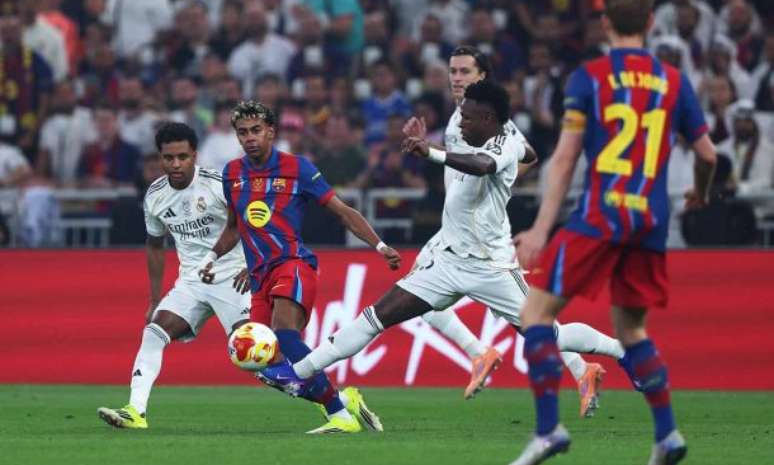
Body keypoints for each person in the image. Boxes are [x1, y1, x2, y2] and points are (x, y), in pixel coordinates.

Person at [260, 80, 628, 423]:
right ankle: (299, 372)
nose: (461, 122)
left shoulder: (503, 144)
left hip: (489, 267)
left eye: (468, 117)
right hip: (446, 261)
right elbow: (528, 152)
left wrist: (432, 152)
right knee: (373, 318)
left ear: (488, 119)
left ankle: (621, 350)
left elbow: (484, 166)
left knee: (550, 335)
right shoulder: (488, 137)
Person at [505, 0, 717, 465]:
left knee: (535, 315)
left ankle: (548, 430)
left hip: (601, 216)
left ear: (606, 24)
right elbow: (708, 155)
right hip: (650, 222)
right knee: (632, 330)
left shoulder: (590, 78)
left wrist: (540, 229)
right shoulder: (673, 81)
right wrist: (701, 192)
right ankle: (667, 434)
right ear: (650, 23)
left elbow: (564, 158)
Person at [402, 45, 622, 410]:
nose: (457, 78)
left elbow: (525, 153)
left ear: (482, 77)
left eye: (465, 72)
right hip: (459, 228)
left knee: (530, 320)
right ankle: (568, 366)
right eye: (453, 71)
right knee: (430, 296)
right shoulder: (460, 118)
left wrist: (499, 185)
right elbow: (505, 157)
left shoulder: (490, 120)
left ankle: (494, 354)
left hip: (481, 234)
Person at [200, 101, 400, 434]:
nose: (250, 138)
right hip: (259, 276)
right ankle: (342, 401)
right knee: (258, 360)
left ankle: (340, 417)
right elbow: (236, 227)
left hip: (293, 264)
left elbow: (342, 211)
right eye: (243, 132)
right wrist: (211, 258)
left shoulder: (298, 168)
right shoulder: (232, 173)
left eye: (256, 130)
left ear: (271, 132)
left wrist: (379, 246)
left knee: (284, 333)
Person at [97, 122, 251, 429]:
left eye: (183, 156)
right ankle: (135, 411)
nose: (176, 164)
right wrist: (155, 300)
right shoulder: (156, 196)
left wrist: (254, 266)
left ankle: (332, 401)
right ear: (160, 158)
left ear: (195, 155)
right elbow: (155, 245)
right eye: (169, 158)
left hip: (234, 278)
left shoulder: (218, 185)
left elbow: (252, 225)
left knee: (253, 357)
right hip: (192, 282)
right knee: (154, 331)